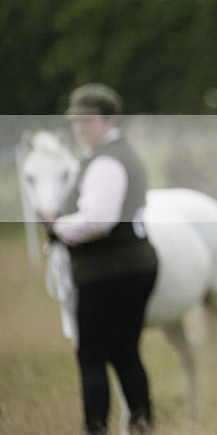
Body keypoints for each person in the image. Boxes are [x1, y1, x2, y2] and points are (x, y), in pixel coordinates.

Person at [51, 83, 158, 434]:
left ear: (108, 118)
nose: (80, 128)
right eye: (76, 122)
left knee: (92, 357)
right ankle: (142, 424)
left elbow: (98, 220)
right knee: (126, 353)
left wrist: (58, 226)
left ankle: (95, 428)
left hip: (107, 272)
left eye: (87, 120)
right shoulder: (118, 153)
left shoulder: (107, 161)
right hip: (132, 266)